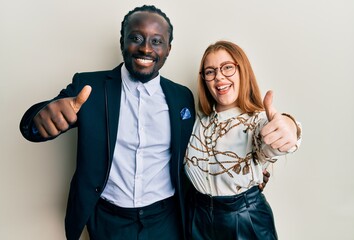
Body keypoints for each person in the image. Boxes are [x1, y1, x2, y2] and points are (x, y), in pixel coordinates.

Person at [19, 5, 295, 240]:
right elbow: (38, 121)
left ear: (168, 48)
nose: (146, 48)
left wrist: (288, 129)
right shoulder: (88, 87)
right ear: (123, 41)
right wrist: (41, 118)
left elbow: (265, 137)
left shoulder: (181, 97)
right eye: (136, 37)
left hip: (168, 220)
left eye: (156, 41)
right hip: (108, 220)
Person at [184, 40, 302, 240]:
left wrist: (290, 127)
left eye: (227, 67)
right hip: (198, 220)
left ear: (242, 71)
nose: (219, 76)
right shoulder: (198, 122)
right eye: (210, 71)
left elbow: (278, 140)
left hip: (245, 220)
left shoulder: (257, 121)